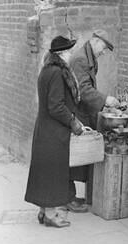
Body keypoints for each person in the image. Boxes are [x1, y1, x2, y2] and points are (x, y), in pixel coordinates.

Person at [24, 35, 84, 228]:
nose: (70, 54)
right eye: (69, 51)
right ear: (62, 54)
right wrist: (74, 123)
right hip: (53, 132)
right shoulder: (57, 73)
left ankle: (43, 212)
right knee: (52, 173)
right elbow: (56, 106)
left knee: (45, 171)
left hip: (45, 130)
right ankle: (50, 215)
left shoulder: (47, 70)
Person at [67, 29, 119, 212]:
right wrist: (105, 100)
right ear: (95, 41)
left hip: (84, 110)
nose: (103, 52)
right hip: (79, 111)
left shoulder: (88, 56)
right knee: (79, 154)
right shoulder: (81, 59)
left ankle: (76, 196)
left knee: (82, 154)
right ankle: (72, 198)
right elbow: (84, 90)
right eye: (103, 48)